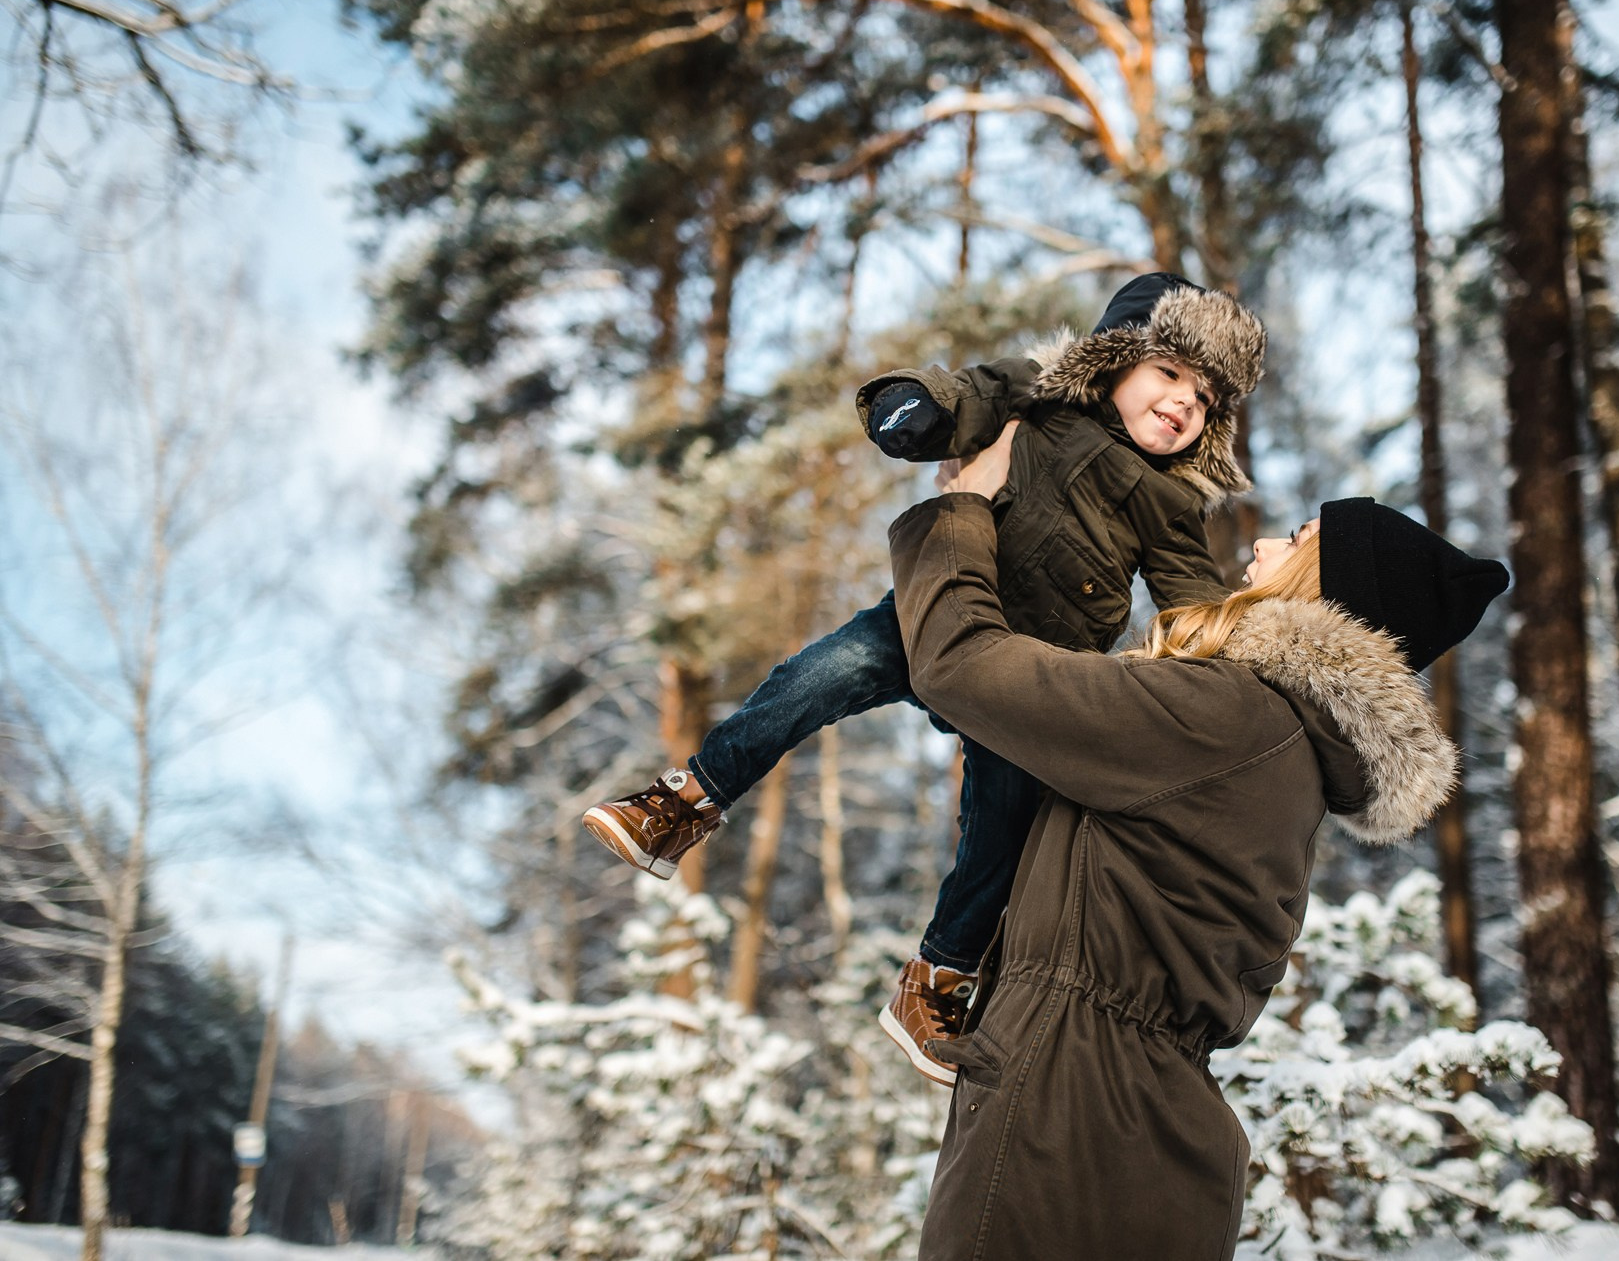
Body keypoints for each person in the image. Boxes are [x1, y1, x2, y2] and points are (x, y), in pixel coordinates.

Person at [578, 273, 1268, 1084]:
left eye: (1207, 396)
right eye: (1172, 374)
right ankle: (686, 799)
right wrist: (911, 409)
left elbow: (1193, 598)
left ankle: (936, 979)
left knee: (1002, 831)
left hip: (1033, 675)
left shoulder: (1171, 500)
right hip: (937, 606)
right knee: (812, 678)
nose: (1185, 402)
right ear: (1115, 358)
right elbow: (963, 394)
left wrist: (1228, 661)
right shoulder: (1037, 391)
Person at [888, 422, 1508, 1261]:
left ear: (1330, 590)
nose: (1259, 544)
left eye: (1297, 538)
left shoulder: (1230, 717)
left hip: (1066, 1129)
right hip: (1140, 1140)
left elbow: (960, 663)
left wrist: (962, 506)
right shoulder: (1283, 748)